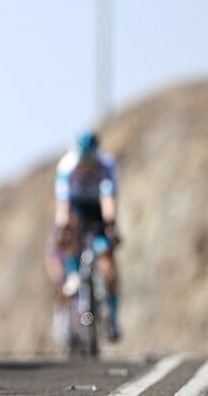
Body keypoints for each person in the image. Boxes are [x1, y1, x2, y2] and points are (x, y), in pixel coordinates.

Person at [48, 131, 122, 341]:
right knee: (68, 228)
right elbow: (63, 204)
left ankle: (112, 320)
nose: (88, 168)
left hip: (98, 207)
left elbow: (109, 199)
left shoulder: (107, 164)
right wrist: (63, 227)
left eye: (91, 163)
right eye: (84, 162)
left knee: (107, 256)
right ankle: (73, 273)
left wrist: (110, 224)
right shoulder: (67, 166)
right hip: (76, 206)